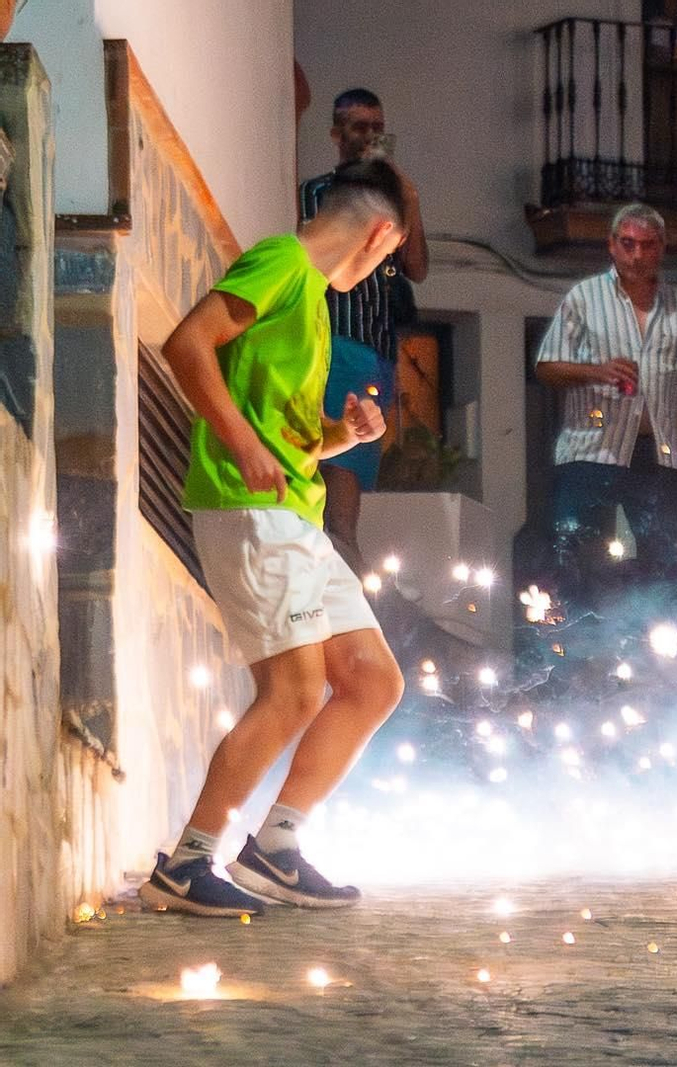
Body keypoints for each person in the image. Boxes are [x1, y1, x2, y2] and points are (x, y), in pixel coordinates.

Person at [139, 160, 409, 917]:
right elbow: (187, 342)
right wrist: (242, 445)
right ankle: (187, 863)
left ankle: (276, 848)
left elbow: (291, 439)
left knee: (371, 679)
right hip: (250, 510)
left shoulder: (314, 302)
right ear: (380, 234)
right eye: (388, 257)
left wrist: (340, 433)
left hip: (297, 512)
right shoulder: (281, 262)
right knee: (292, 692)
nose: (382, 268)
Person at [534, 202, 677, 609]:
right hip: (591, 447)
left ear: (662, 248)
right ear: (612, 246)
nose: (637, 255)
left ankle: (664, 648)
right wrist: (594, 371)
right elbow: (547, 367)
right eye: (628, 244)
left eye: (647, 245)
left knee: (670, 559)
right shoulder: (584, 297)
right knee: (576, 550)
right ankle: (579, 649)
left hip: (655, 449)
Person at [299, 88, 428, 572]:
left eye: (377, 127)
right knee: (329, 497)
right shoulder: (316, 194)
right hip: (330, 344)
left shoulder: (395, 202)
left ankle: (345, 596)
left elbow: (416, 267)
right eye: (358, 127)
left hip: (373, 352)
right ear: (337, 135)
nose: (369, 137)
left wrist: (408, 196)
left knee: (346, 499)